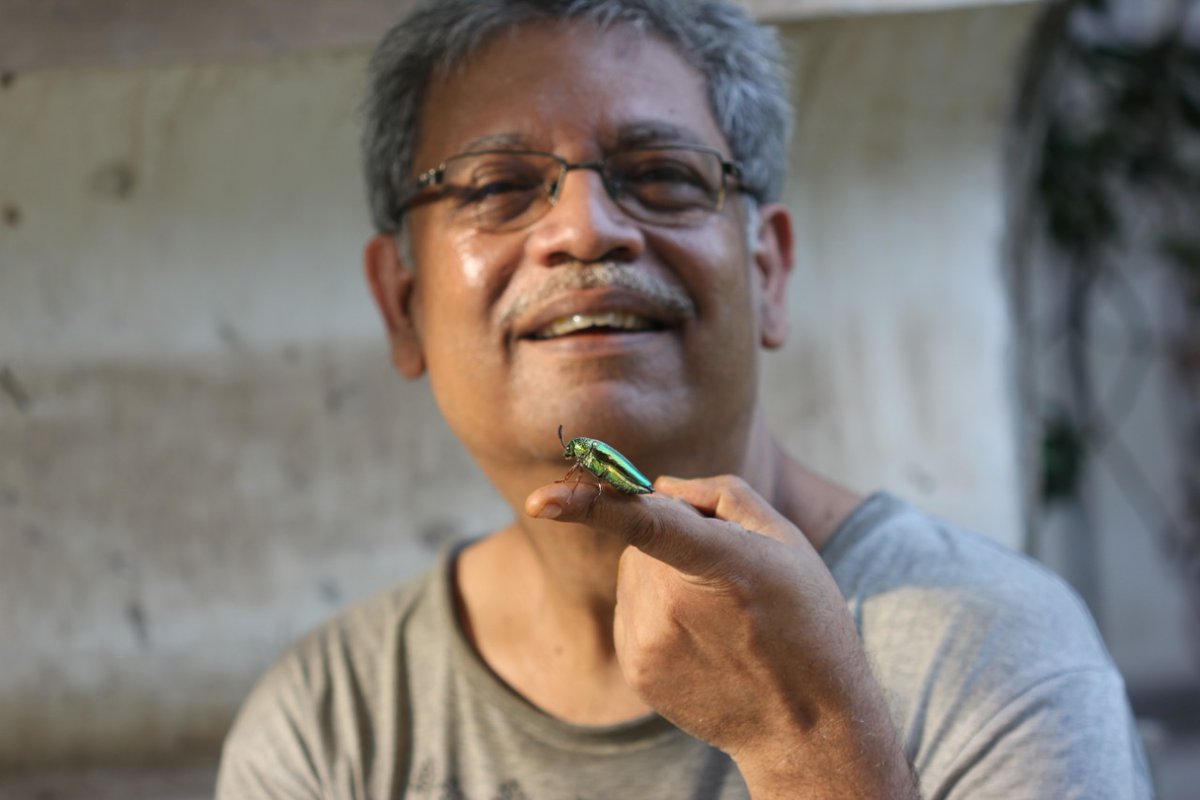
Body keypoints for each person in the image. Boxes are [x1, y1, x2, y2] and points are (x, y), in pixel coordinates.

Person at [216, 0, 1153, 797]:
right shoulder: (327, 723)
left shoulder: (996, 655)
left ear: (770, 270)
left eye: (661, 177)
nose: (585, 229)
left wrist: (808, 742)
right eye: (500, 186)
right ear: (403, 304)